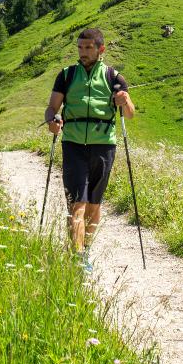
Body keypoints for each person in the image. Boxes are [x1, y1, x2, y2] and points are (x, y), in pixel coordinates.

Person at [44, 27, 134, 269]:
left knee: (94, 204)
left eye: (88, 48)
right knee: (77, 204)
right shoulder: (66, 75)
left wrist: (124, 101)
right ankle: (78, 257)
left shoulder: (114, 78)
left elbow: (130, 114)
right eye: (80, 47)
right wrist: (53, 121)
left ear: (100, 49)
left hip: (103, 146)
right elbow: (52, 108)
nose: (82, 52)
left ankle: (86, 247)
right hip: (73, 144)